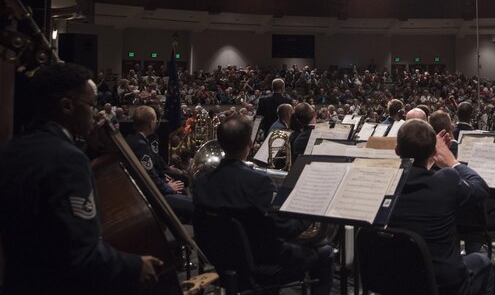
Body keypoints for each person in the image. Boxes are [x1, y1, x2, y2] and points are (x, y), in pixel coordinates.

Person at [0, 62, 162, 294]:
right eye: (91, 104)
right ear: (67, 106)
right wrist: (135, 265)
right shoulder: (68, 160)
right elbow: (80, 253)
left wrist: (89, 146)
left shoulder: (13, 148)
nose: (96, 113)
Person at [192, 115, 333, 294]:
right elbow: (286, 229)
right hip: (263, 265)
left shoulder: (201, 183)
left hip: (218, 262)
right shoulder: (259, 183)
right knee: (326, 252)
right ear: (250, 144)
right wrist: (309, 215)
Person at [389, 120, 494, 295]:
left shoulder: (383, 182)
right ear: (433, 152)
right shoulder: (446, 180)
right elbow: (481, 189)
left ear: (397, 151)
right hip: (443, 283)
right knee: (483, 262)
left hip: (394, 280)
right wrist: (452, 162)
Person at [125, 106, 193, 223]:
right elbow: (149, 176)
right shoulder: (140, 144)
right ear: (151, 123)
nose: (157, 122)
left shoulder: (134, 139)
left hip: (154, 189)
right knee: (193, 205)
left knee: (182, 190)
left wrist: (165, 181)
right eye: (155, 119)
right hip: (152, 196)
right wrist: (168, 187)